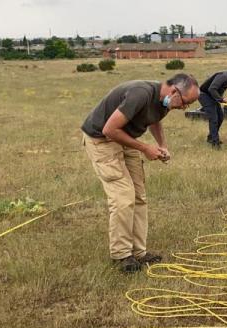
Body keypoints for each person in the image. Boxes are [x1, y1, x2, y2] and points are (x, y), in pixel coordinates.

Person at [80, 73, 199, 273]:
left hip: (124, 138)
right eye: (185, 102)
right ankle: (121, 255)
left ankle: (138, 252)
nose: (184, 108)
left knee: (138, 196)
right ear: (174, 91)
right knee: (123, 197)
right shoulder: (140, 93)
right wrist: (145, 148)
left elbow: (154, 120)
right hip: (102, 139)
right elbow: (109, 130)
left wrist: (162, 145)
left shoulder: (165, 101)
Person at [198, 65, 227, 147]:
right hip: (204, 95)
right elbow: (212, 89)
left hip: (212, 96)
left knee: (220, 117)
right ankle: (215, 143)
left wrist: (224, 98)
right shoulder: (223, 76)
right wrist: (222, 99)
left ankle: (211, 137)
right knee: (214, 118)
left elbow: (218, 90)